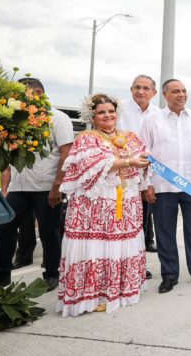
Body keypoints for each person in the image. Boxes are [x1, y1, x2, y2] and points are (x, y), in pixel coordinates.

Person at [0, 78, 74, 299]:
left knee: (49, 232)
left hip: (47, 186)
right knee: (5, 229)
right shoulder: (19, 119)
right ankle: (0, 277)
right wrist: (5, 187)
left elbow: (67, 153)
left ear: (37, 92)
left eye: (22, 95)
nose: (16, 100)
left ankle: (51, 273)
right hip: (19, 187)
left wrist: (57, 186)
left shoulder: (58, 118)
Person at [57, 93, 151, 316]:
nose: (107, 115)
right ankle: (93, 295)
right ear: (93, 116)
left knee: (120, 243)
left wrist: (144, 161)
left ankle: (119, 291)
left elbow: (144, 158)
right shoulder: (86, 139)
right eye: (101, 112)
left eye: (110, 111)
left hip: (126, 201)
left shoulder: (130, 136)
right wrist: (128, 161)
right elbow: (93, 165)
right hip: (95, 205)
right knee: (95, 246)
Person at [139, 79, 191, 293]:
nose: (181, 95)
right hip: (162, 186)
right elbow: (144, 153)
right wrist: (147, 183)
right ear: (165, 95)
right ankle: (170, 274)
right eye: (175, 91)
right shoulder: (152, 120)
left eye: (184, 91)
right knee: (165, 232)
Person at [118, 74, 160, 253]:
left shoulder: (159, 114)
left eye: (145, 88)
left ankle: (137, 263)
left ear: (154, 92)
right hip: (121, 173)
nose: (140, 91)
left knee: (140, 220)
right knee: (121, 220)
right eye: (137, 87)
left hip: (146, 175)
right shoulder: (118, 109)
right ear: (131, 89)